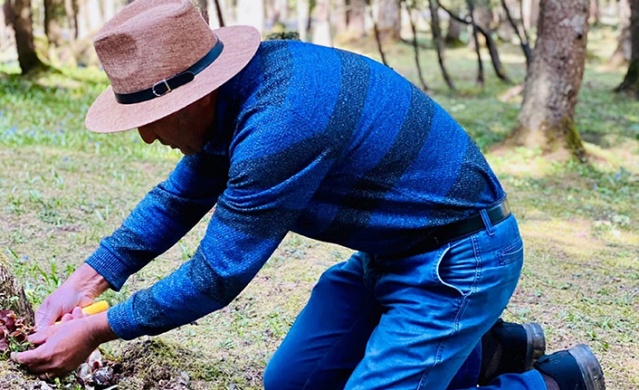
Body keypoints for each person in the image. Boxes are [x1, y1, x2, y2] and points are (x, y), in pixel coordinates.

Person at [11, 0, 605, 389]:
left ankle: (550, 381)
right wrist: (83, 284)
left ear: (194, 96)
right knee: (290, 384)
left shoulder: (282, 120)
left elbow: (215, 277)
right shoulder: (235, 100)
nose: (145, 134)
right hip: (390, 257)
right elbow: (176, 200)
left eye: (152, 115)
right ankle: (492, 349)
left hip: (460, 261)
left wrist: (96, 328)